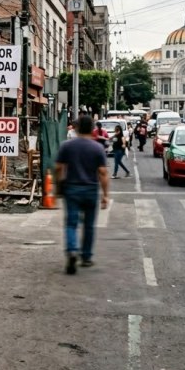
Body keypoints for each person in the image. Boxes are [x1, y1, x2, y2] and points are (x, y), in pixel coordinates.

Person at [54, 115, 110, 274]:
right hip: (91, 189)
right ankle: (86, 257)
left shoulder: (67, 146)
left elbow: (58, 167)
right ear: (92, 129)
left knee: (71, 223)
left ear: (76, 128)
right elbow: (103, 173)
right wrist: (105, 195)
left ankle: (72, 250)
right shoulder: (97, 148)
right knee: (89, 225)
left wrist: (59, 185)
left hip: (72, 188)